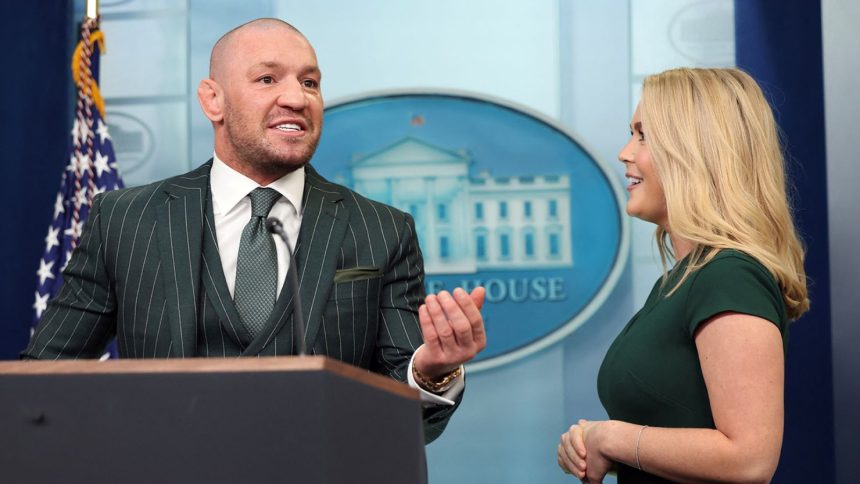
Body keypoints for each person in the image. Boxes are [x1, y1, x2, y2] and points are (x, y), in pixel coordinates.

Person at [23, 18, 487, 444]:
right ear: (213, 100)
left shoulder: (382, 230)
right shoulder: (125, 219)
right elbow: (41, 382)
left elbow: (404, 411)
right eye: (268, 79)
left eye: (310, 83)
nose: (296, 98)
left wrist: (431, 372)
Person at [557, 67, 809, 483]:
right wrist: (594, 442)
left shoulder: (730, 276)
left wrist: (614, 438)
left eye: (643, 135)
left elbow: (750, 459)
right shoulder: (681, 279)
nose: (625, 152)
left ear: (695, 152)